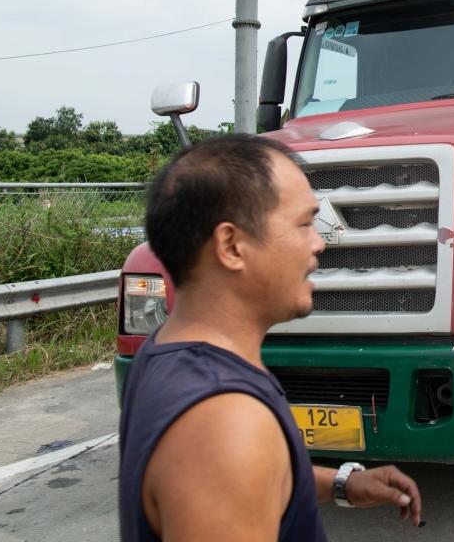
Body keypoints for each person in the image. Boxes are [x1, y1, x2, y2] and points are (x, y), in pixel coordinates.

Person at [119, 135, 422, 541]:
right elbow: (228, 465)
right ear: (231, 246)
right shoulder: (225, 421)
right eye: (303, 224)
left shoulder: (165, 351)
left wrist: (341, 483)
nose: (320, 243)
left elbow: (249, 478)